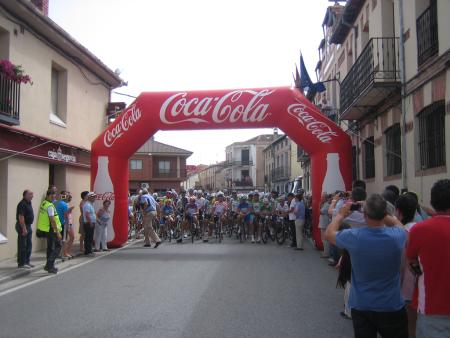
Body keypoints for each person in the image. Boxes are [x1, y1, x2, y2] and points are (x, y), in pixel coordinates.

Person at [325, 194, 408, 338]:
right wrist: (382, 214)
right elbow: (400, 226)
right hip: (391, 304)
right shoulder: (397, 236)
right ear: (385, 214)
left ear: (364, 214)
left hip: (362, 305)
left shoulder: (354, 236)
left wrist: (340, 215)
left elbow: (329, 233)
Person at [407, 179, 450, 337]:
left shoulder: (420, 230)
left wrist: (419, 272)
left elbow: (411, 259)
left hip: (432, 306)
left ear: (433, 201)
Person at [396, 193, 419, 338]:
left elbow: (400, 264)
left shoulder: (400, 234)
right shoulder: (420, 228)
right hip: (420, 285)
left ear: (398, 212)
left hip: (406, 287)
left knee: (409, 326)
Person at [37, 189, 62, 274]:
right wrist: (57, 232)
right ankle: (49, 265)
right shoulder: (50, 206)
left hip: (46, 229)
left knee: (50, 248)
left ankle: (50, 266)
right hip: (51, 229)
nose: (53, 198)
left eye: (54, 197)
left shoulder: (44, 203)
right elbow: (52, 220)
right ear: (47, 195)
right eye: (52, 196)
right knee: (58, 246)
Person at [16, 189, 34, 269]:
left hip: (28, 226)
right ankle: (21, 263)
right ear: (25, 195)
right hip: (23, 226)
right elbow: (21, 217)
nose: (32, 196)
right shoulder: (22, 204)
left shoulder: (29, 203)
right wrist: (24, 228)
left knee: (29, 245)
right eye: (30, 194)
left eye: (32, 194)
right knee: (23, 245)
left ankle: (27, 261)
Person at [319, 193, 331, 258]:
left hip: (325, 224)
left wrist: (319, 205)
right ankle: (325, 252)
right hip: (324, 223)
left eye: (322, 197)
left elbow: (320, 212)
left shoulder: (326, 205)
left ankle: (326, 253)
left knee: (325, 239)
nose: (321, 198)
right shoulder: (325, 204)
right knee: (324, 239)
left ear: (325, 198)